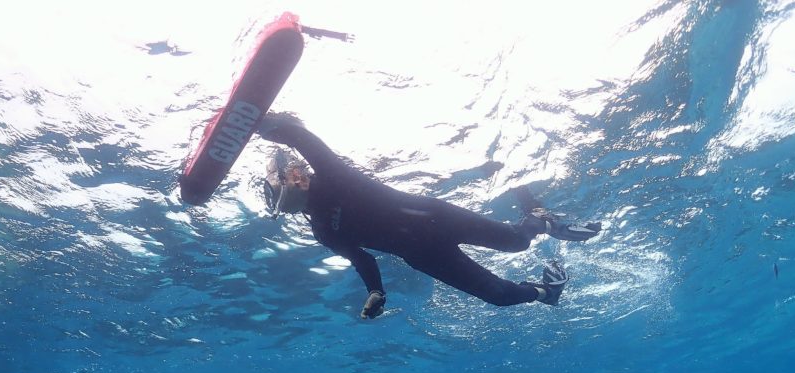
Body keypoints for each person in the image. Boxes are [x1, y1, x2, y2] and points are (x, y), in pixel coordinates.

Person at [257, 113, 601, 319]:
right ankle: (546, 293)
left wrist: (268, 124)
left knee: (515, 242)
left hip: (435, 218)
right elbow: (361, 259)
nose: (277, 194)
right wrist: (376, 291)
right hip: (422, 255)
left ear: (296, 176)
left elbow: (306, 141)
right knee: (499, 296)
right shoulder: (322, 230)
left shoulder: (333, 177)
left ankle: (541, 218)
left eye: (277, 182)